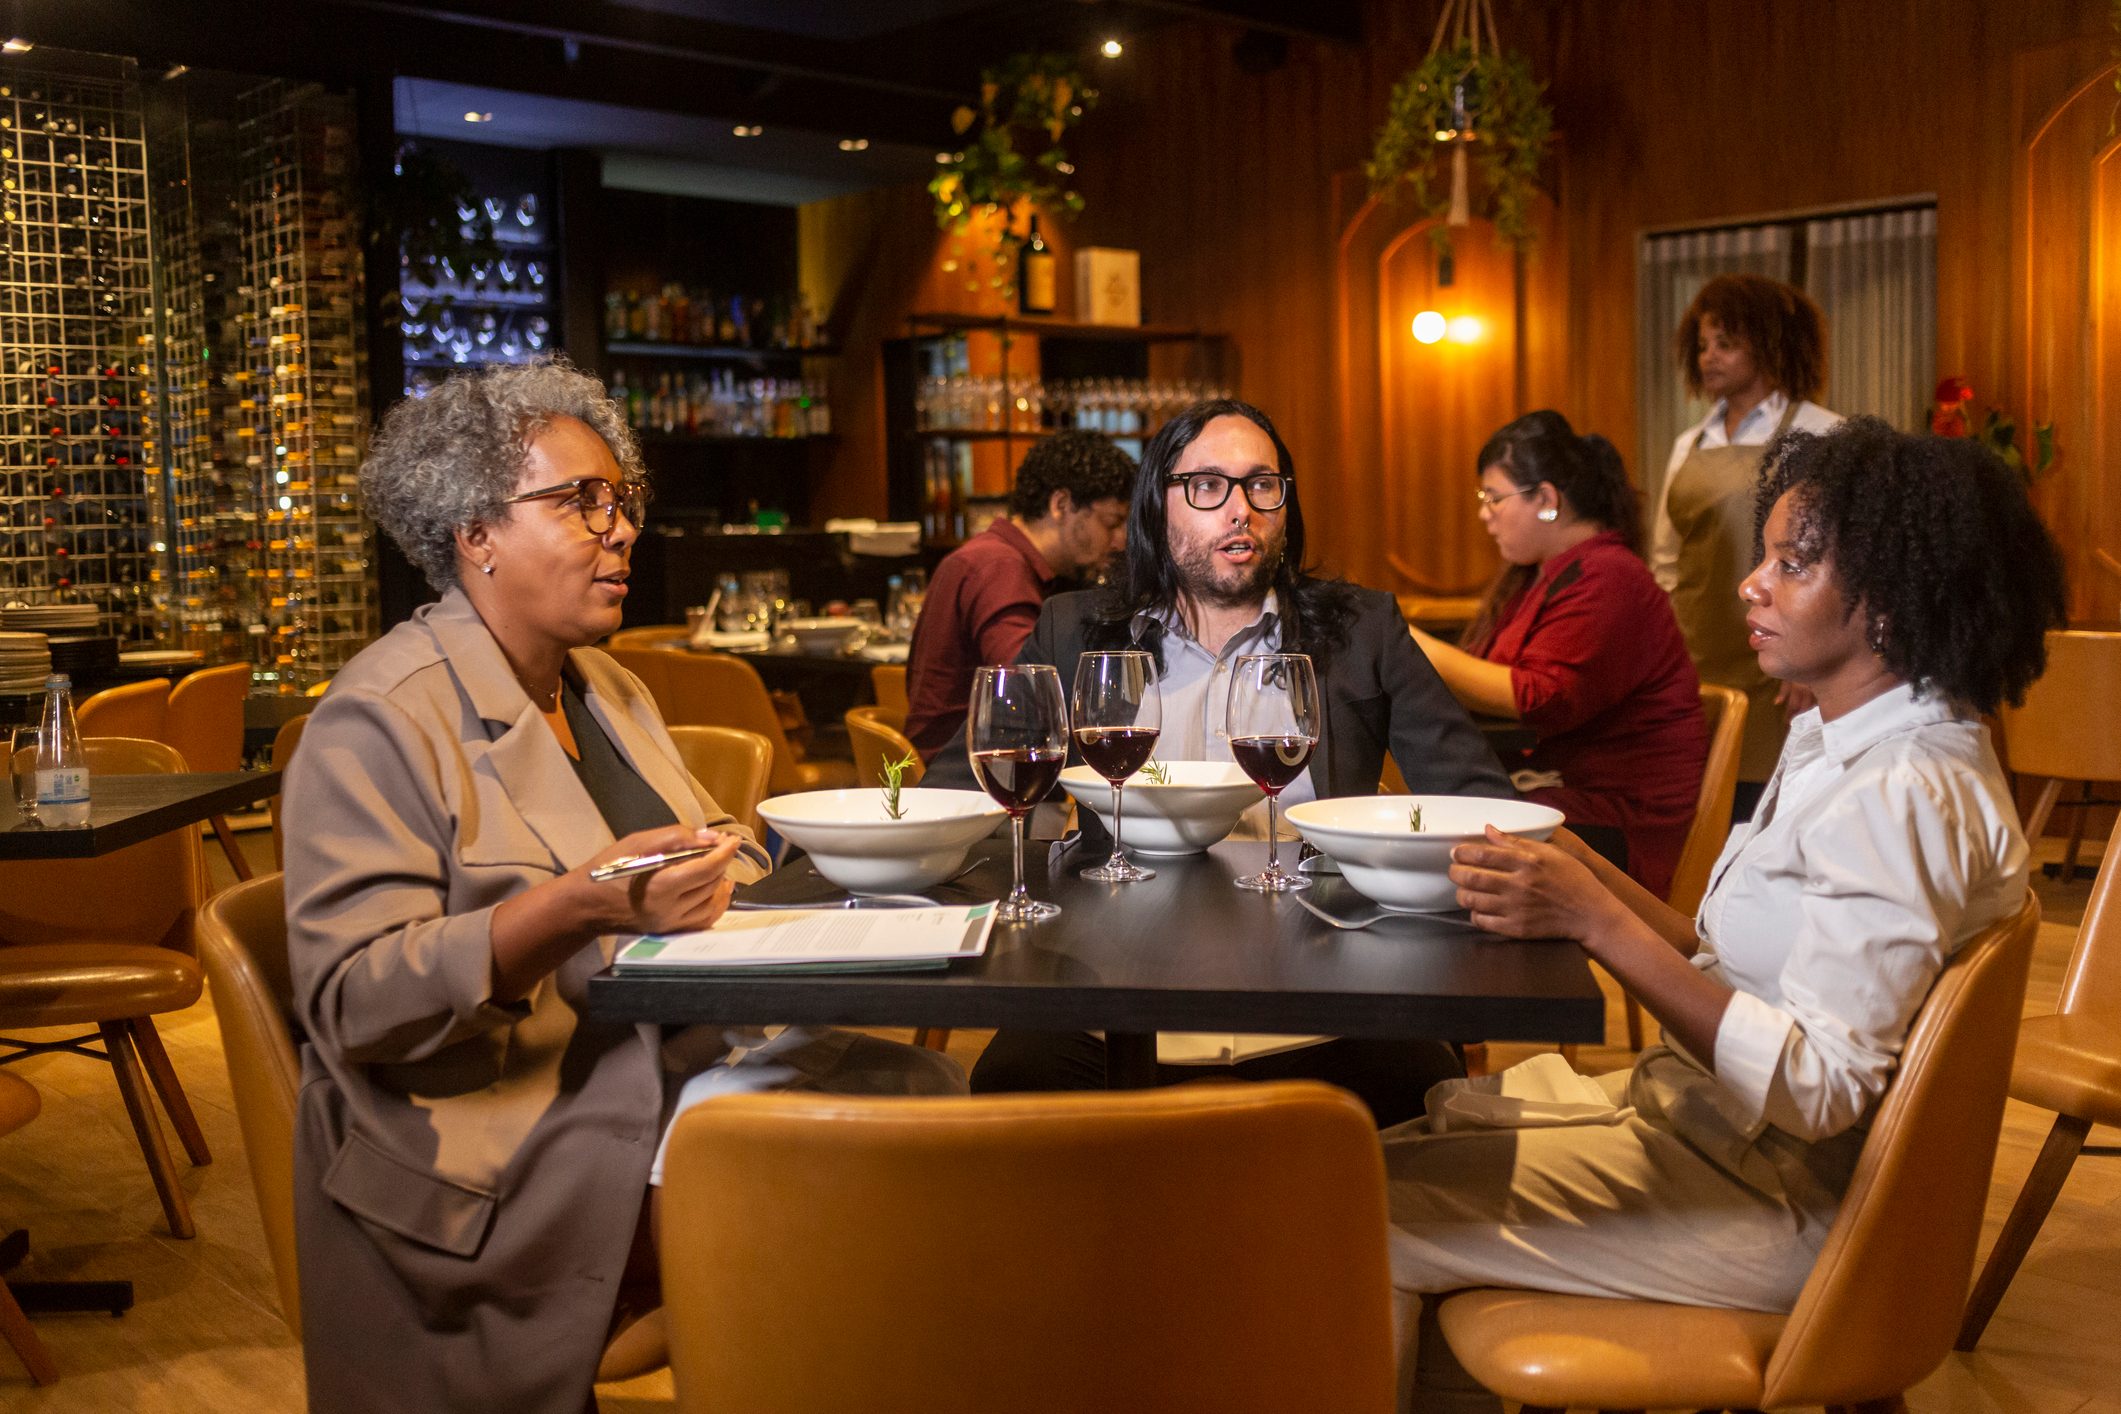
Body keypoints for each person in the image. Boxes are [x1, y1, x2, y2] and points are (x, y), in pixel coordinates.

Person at [281, 362, 962, 1414]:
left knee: (925, 1100)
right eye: (580, 501)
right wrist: (576, 908)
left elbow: (721, 857)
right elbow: (350, 999)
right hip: (505, 1128)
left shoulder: (607, 688)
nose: (621, 529)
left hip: (663, 1064)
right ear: (475, 533)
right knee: (866, 1168)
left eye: (622, 499)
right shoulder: (378, 717)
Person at [1383, 419, 2066, 1413]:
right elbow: (1729, 968)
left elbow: (1821, 1085)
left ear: (1888, 601)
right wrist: (1580, 872)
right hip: (1723, 1145)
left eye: (1792, 565)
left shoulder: (1902, 792)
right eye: (1765, 558)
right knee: (1407, 1128)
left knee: (1350, 1201)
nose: (1753, 583)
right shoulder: (1848, 736)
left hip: (1782, 1203)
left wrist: (1598, 925)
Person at [934, 398, 1517, 1126]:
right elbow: (964, 796)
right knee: (1009, 1094)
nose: (1238, 509)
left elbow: (1473, 799)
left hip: (1325, 999)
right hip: (1112, 995)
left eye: (1260, 485)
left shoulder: (1361, 630)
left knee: (1419, 1093)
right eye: (1207, 486)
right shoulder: (1075, 630)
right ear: (1159, 502)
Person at [1408, 411, 1706, 898]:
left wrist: (1408, 640)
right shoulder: (1542, 576)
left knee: (1436, 845)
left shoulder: (1611, 575)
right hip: (1559, 792)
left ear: (1546, 500)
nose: (1485, 513)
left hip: (1621, 821)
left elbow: (1538, 697)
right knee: (1422, 826)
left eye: (1494, 497)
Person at [1653, 274, 1841, 815]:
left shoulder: (1822, 432)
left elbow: (1838, 567)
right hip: (1693, 656)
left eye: (1726, 343)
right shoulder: (1689, 443)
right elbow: (1667, 561)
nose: (1709, 357)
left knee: (1768, 806)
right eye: (1703, 345)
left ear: (1768, 344)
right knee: (1697, 806)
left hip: (1781, 665)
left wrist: (1815, 664)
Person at [903, 429, 1135, 759]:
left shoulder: (992, 555)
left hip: (962, 762)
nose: (1120, 540)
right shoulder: (1000, 568)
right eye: (1112, 522)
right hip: (964, 777)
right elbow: (1029, 695)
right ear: (1061, 505)